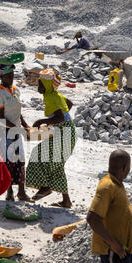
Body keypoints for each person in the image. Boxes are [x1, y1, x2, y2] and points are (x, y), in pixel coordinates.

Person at [26, 69, 77, 208]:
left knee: (38, 153)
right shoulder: (55, 94)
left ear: (48, 85)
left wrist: (41, 122)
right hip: (67, 131)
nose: (39, 87)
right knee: (57, 165)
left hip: (64, 133)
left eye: (41, 84)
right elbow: (69, 104)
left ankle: (45, 187)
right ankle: (66, 201)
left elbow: (59, 117)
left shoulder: (52, 97)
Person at [0, 60, 31, 202]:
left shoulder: (15, 90)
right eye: (7, 75)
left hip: (15, 128)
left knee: (20, 160)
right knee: (7, 161)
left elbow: (18, 112)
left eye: (12, 74)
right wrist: (17, 128)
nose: (10, 77)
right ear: (1, 77)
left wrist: (25, 126)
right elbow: (1, 118)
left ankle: (21, 192)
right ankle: (9, 193)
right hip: (3, 131)